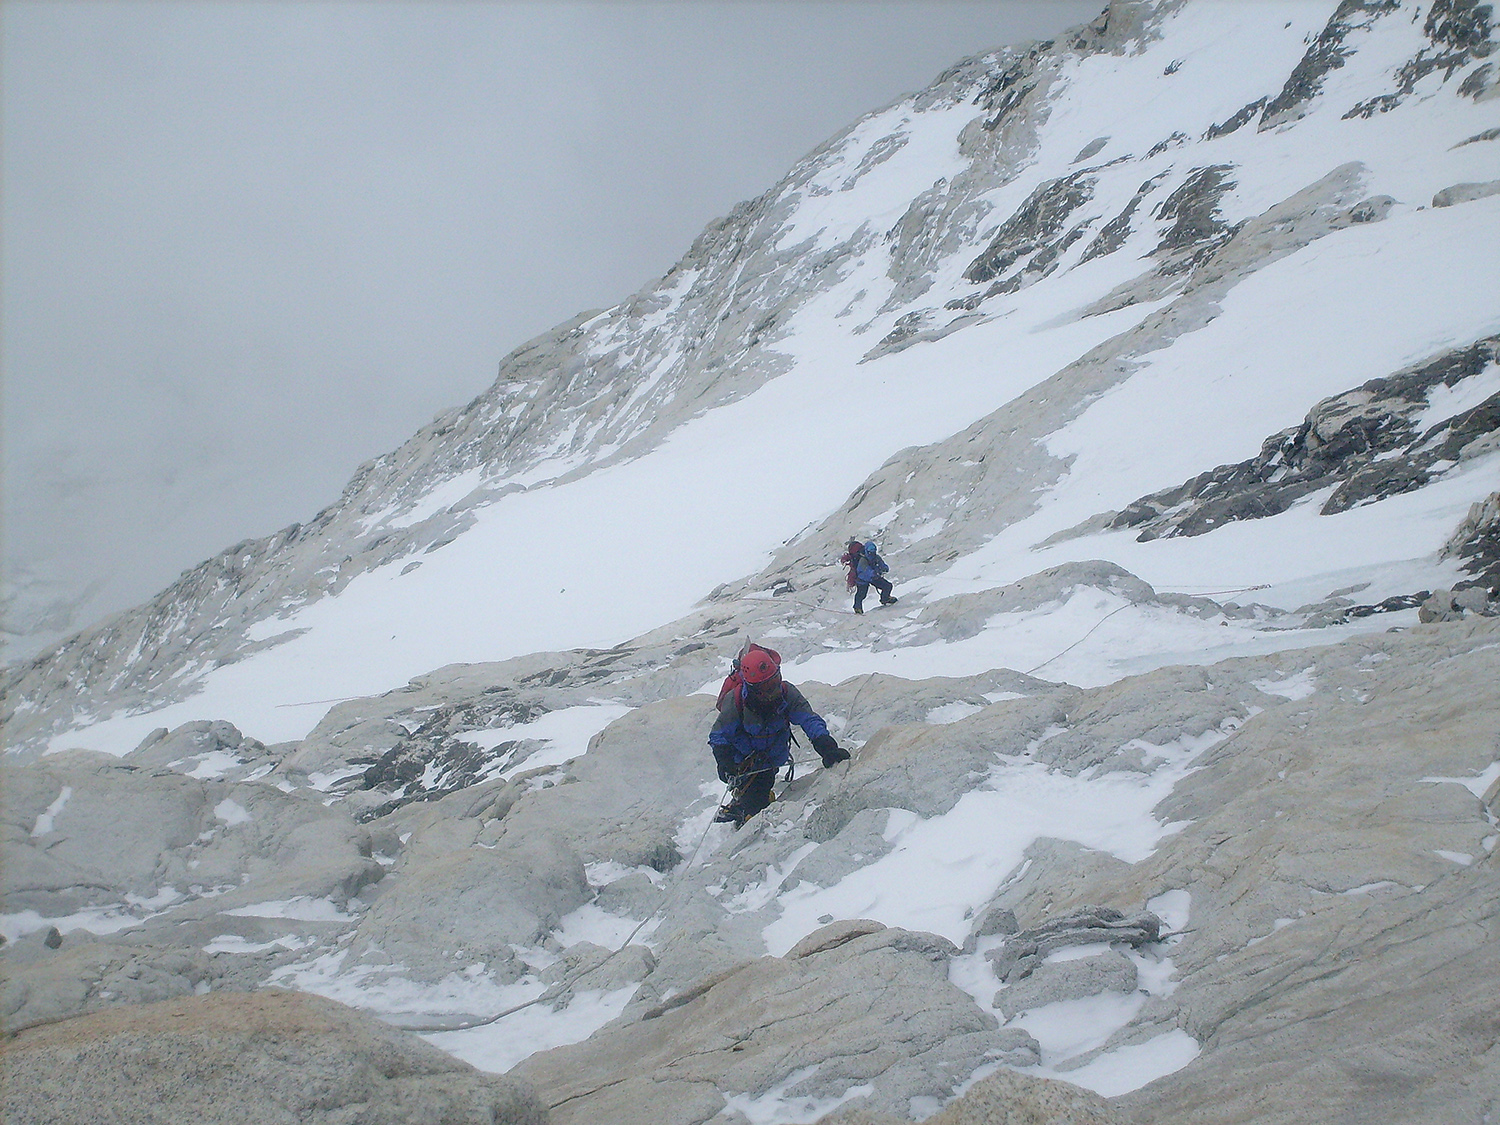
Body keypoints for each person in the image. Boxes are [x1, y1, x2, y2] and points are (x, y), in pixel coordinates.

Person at [709, 644, 849, 827]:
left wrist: (826, 746)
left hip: (770, 758)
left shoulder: (786, 693)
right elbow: (719, 735)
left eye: (775, 681)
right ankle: (745, 807)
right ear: (752, 688)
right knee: (755, 801)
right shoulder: (736, 702)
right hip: (745, 762)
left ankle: (745, 804)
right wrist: (724, 761)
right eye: (767, 687)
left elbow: (809, 719)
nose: (774, 690)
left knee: (761, 789)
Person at [840, 538, 897, 615]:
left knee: (887, 586)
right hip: (862, 579)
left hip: (872, 578)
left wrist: (884, 568)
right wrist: (875, 573)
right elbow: (864, 570)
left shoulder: (874, 558)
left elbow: (882, 564)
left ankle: (885, 599)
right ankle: (857, 608)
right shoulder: (863, 560)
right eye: (871, 553)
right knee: (861, 594)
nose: (872, 554)